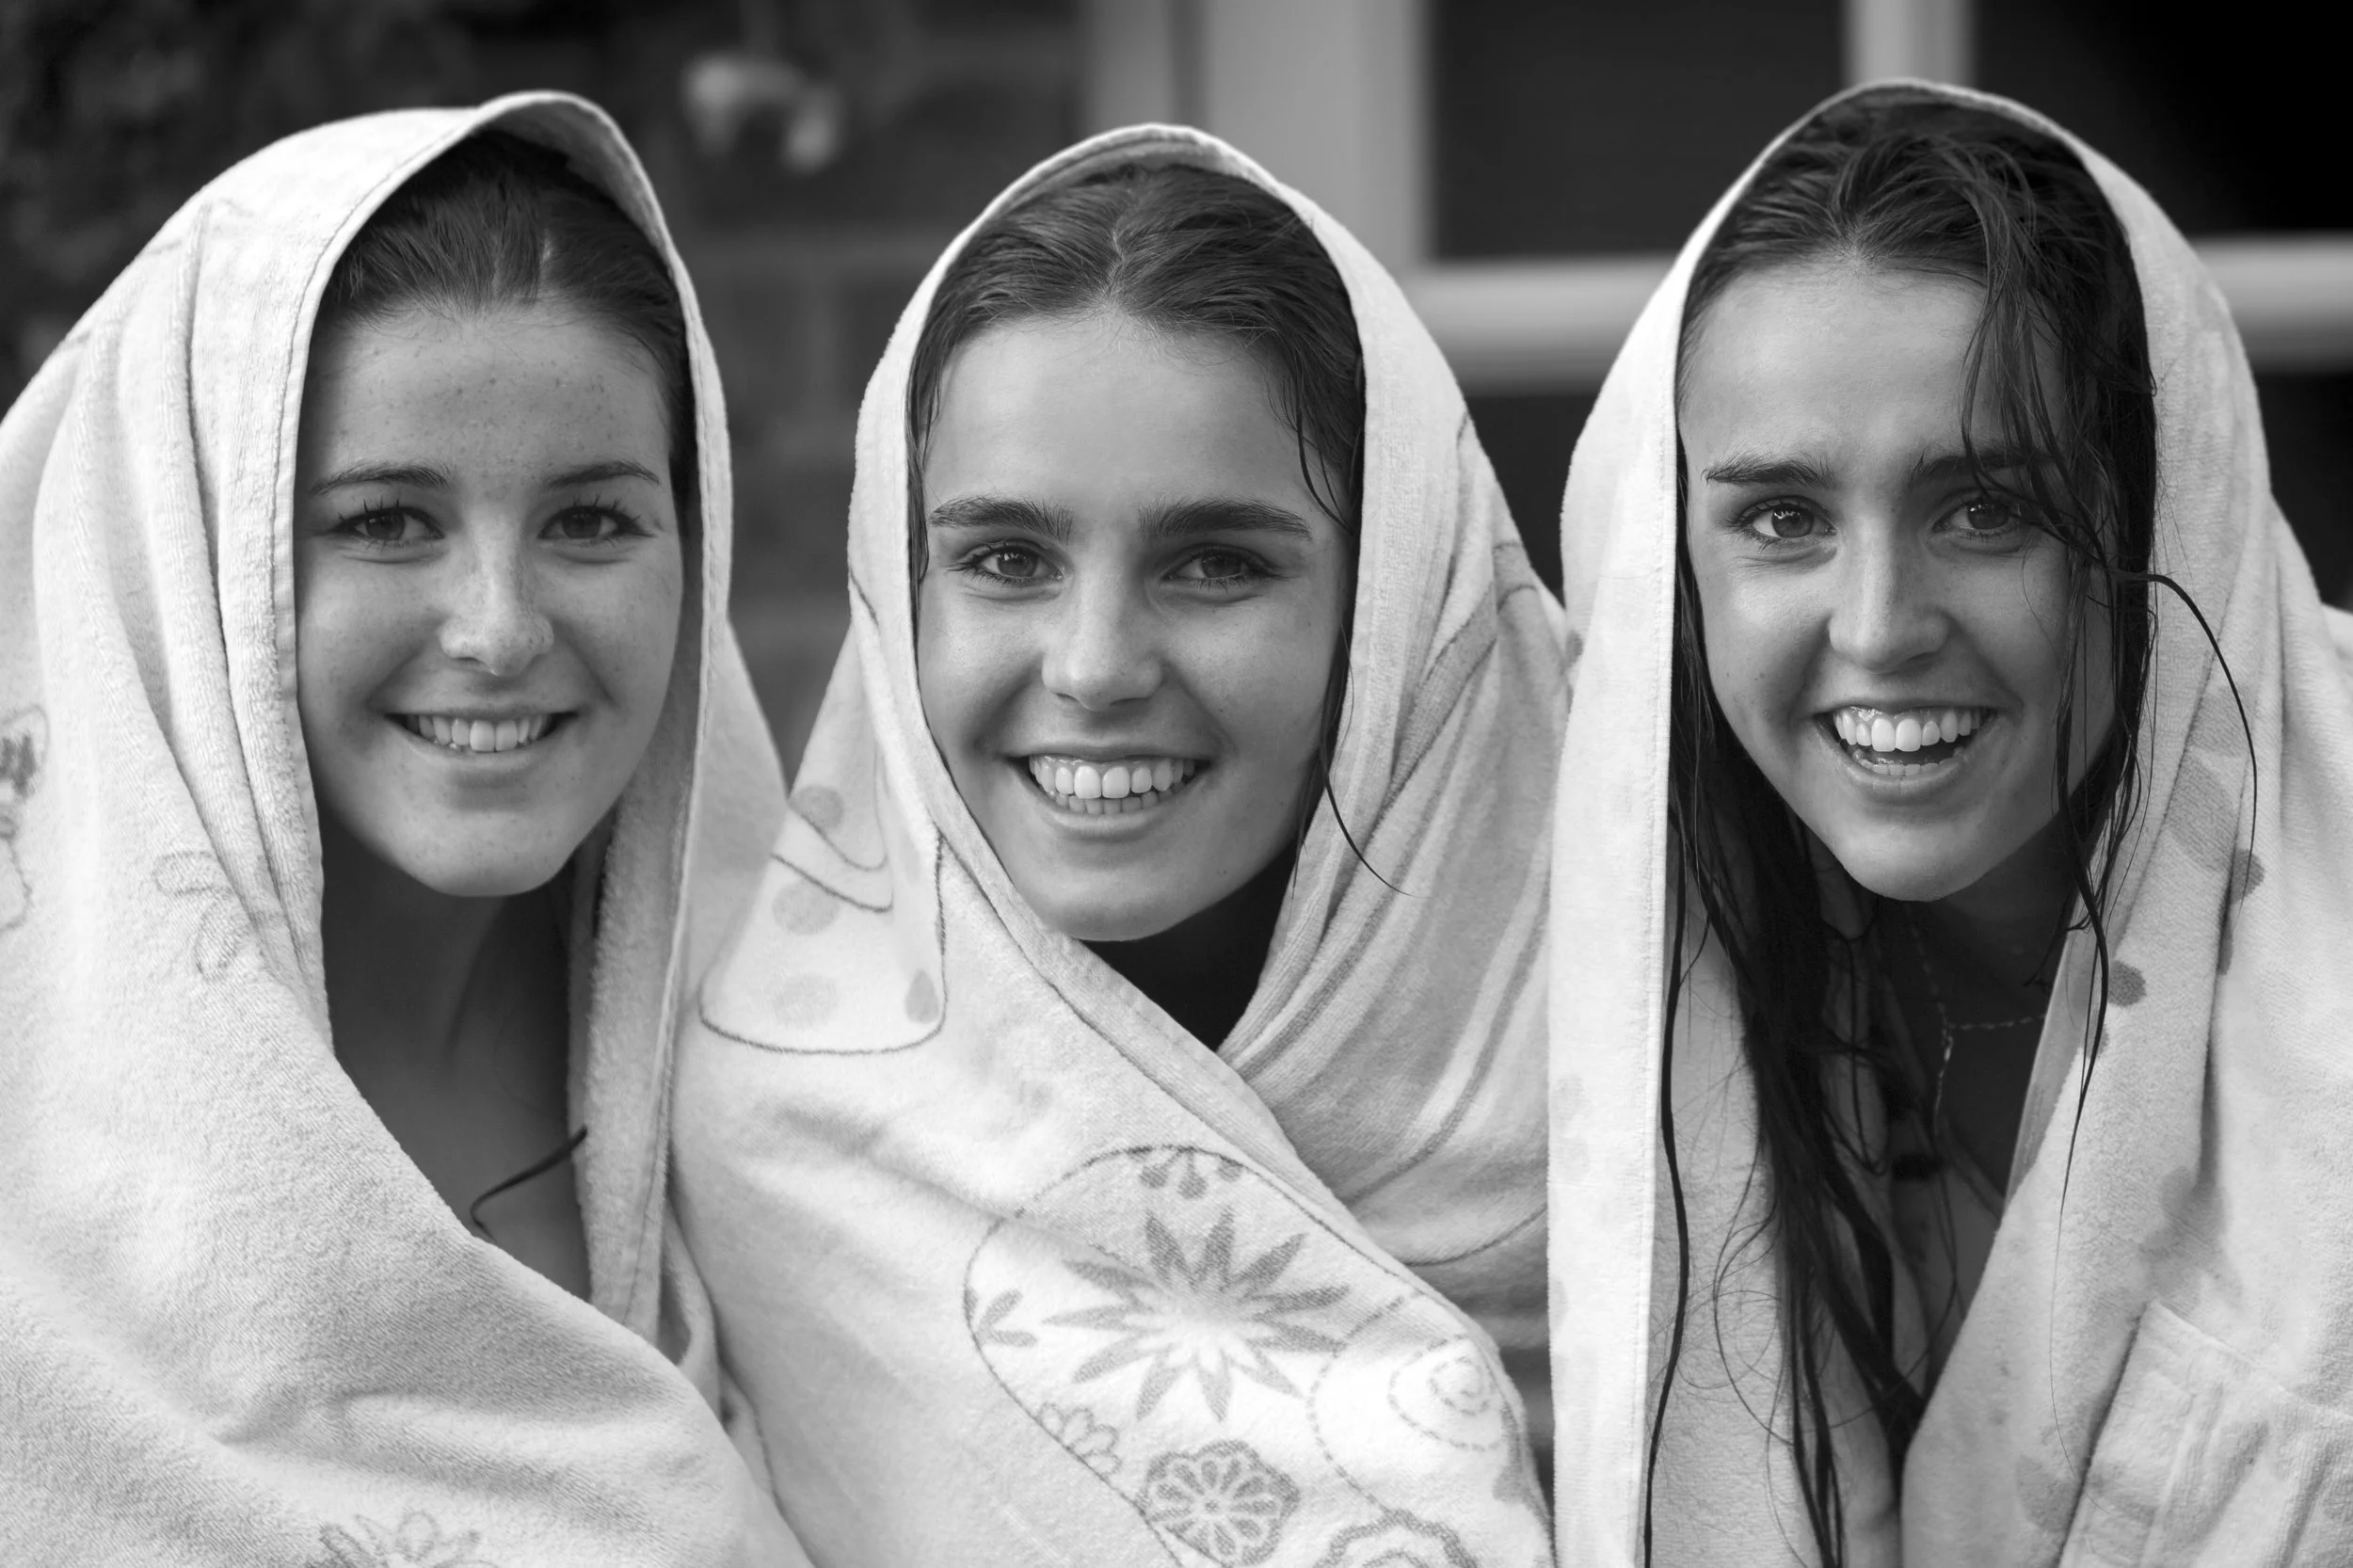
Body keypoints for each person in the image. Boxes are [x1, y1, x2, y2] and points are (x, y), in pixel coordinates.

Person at [674, 126, 1569, 1565]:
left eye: (1216, 562)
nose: (1094, 665)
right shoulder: (783, 1152)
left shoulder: (1662, 1074)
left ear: (1393, 609)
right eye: (1006, 559)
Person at [1546, 83, 2353, 1565]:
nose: (1878, 626)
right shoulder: (1605, 973)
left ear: (2162, 518)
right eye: (1782, 518)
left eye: (1985, 508)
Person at [0, 94, 806, 1564]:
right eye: (384, 522)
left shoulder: (798, 1081)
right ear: (196, 570)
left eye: (593, 519)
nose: (499, 628)